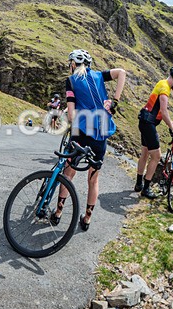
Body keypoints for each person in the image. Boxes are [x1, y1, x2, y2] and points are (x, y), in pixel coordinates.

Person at [52, 49, 126, 230]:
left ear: (73, 64)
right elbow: (122, 73)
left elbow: (71, 115)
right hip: (101, 131)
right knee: (93, 179)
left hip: (81, 130)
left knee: (68, 173)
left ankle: (58, 213)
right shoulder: (99, 76)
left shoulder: (71, 81)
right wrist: (115, 100)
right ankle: (87, 219)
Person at [135, 66, 173, 198]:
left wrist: (170, 122)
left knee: (145, 153)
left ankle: (139, 183)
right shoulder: (165, 89)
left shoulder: (161, 83)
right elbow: (163, 111)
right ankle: (145, 189)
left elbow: (157, 111)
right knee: (156, 156)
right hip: (148, 124)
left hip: (145, 121)